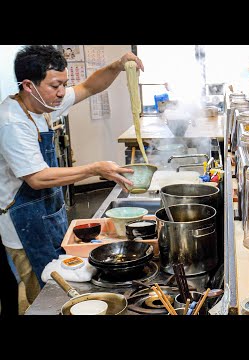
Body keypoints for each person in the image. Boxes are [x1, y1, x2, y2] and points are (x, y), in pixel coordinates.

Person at [0, 45, 143, 304]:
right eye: (55, 86)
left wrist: (117, 65)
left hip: (49, 214)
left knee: (62, 281)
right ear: (29, 85)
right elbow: (37, 178)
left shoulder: (42, 104)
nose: (62, 93)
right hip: (24, 225)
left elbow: (89, 87)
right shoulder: (12, 121)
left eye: (64, 84)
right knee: (45, 294)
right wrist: (94, 169)